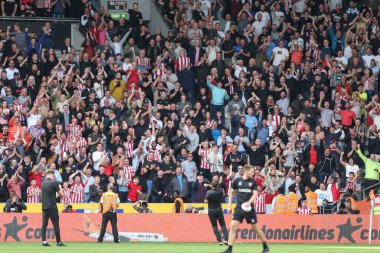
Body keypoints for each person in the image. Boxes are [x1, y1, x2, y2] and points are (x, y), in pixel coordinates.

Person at [222, 165, 269, 253]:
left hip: (249, 209)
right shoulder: (237, 181)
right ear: (246, 171)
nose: (253, 173)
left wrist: (249, 202)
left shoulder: (253, 182)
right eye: (252, 171)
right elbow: (231, 193)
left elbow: (255, 194)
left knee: (255, 228)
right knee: (233, 226)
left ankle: (265, 246)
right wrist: (229, 206)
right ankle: (229, 249)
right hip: (239, 208)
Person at [41, 170, 65, 247]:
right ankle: (58, 242)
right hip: (52, 207)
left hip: (44, 207)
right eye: (54, 176)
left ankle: (44, 241)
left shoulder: (42, 183)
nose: (54, 178)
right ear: (51, 175)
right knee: (56, 225)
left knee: (44, 225)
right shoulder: (54, 182)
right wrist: (60, 188)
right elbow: (61, 194)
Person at [205, 180, 228, 245]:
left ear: (212, 185)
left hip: (211, 211)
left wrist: (209, 186)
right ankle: (226, 240)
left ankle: (219, 241)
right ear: (218, 185)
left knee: (214, 226)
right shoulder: (221, 190)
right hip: (219, 210)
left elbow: (205, 202)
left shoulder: (209, 192)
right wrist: (211, 185)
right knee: (223, 225)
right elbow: (223, 194)